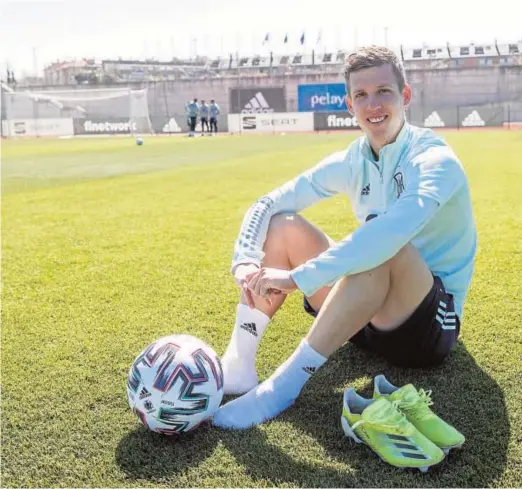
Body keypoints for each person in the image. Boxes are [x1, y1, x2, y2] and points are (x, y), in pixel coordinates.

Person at [212, 45, 477, 430]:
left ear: (404, 96)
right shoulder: (354, 160)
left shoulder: (434, 159)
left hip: (427, 328)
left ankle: (283, 388)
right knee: (285, 224)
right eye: (361, 95)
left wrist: (300, 278)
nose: (373, 105)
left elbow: (388, 234)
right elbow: (268, 202)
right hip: (363, 318)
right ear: (350, 104)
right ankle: (239, 363)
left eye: (383, 91)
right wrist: (244, 258)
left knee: (386, 247)